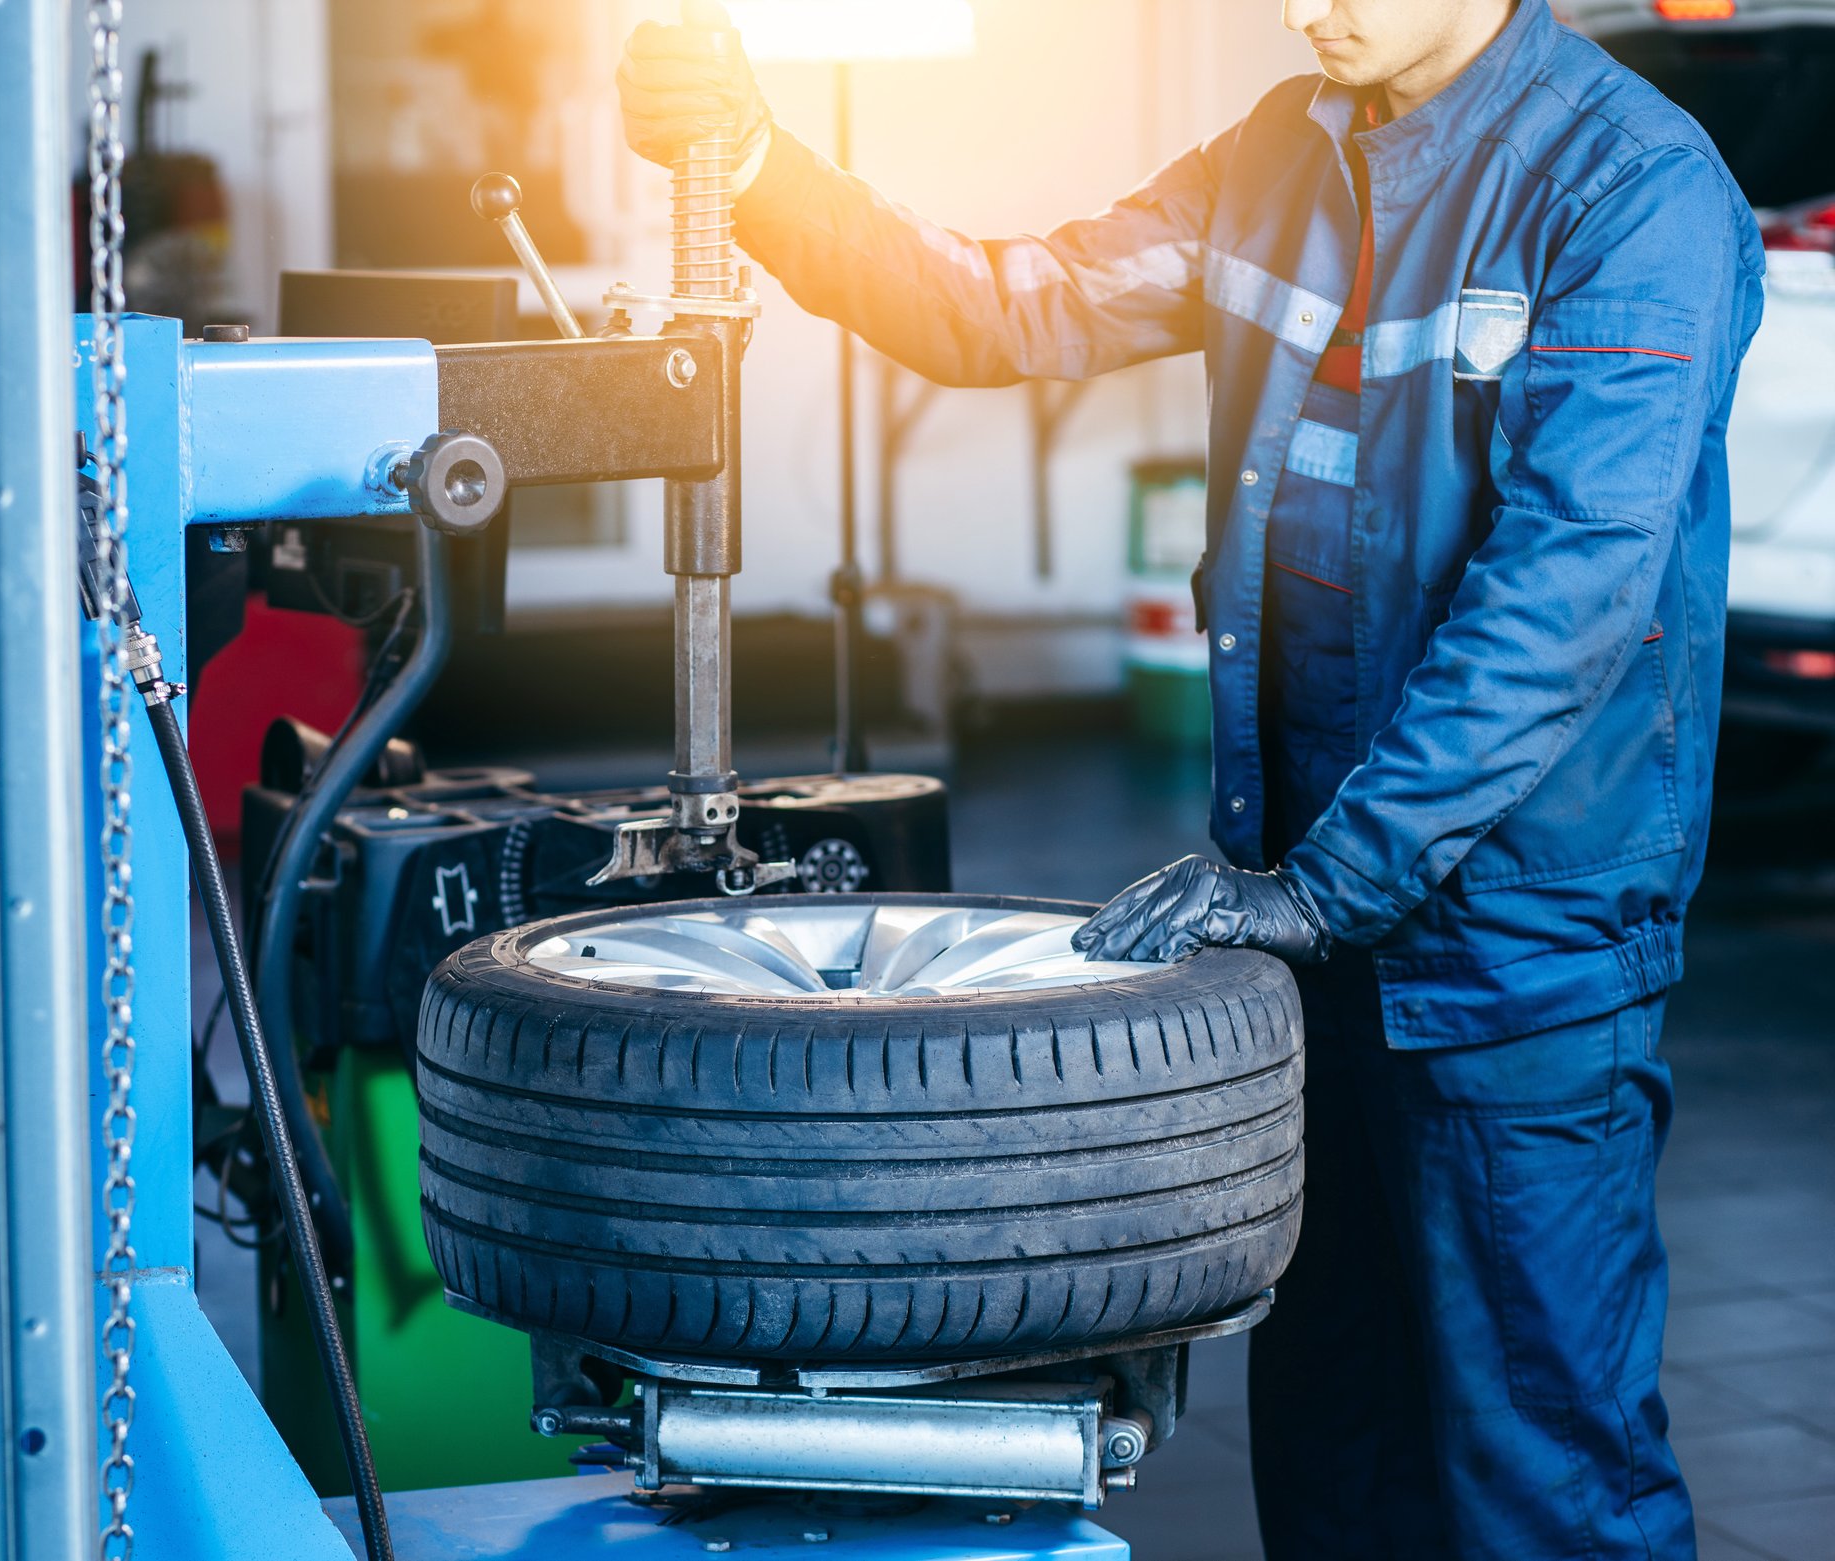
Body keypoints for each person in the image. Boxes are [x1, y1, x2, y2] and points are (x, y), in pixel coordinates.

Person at [618, 2, 1763, 1556]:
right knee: (1335, 1448)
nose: (1309, 4)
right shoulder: (1277, 160)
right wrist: (757, 168)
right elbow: (1003, 310)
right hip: (1302, 935)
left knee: (1543, 1471)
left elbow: (1561, 597)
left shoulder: (1629, 187)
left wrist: (1321, 885)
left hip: (1513, 951)